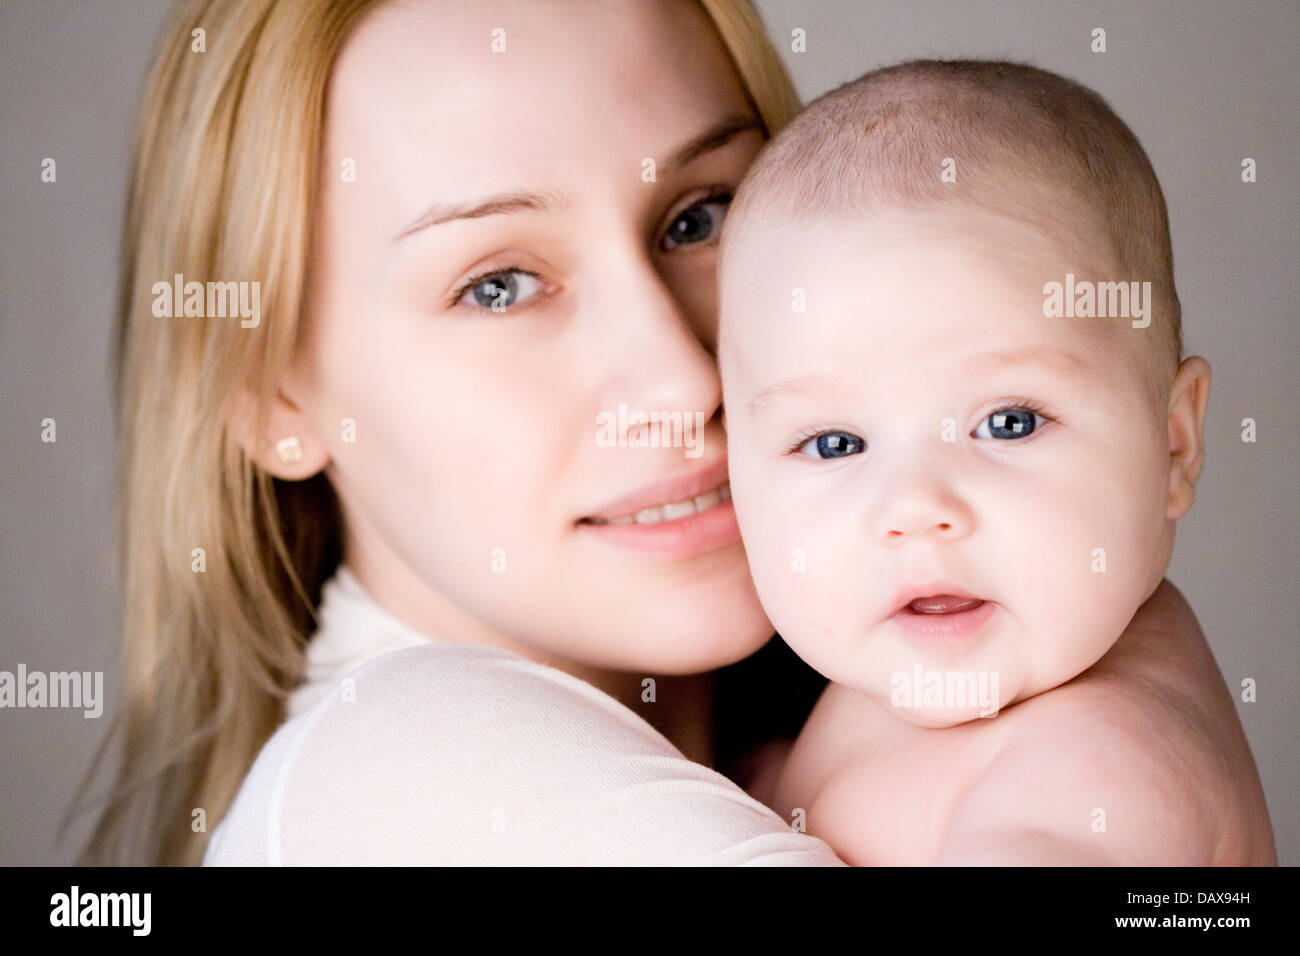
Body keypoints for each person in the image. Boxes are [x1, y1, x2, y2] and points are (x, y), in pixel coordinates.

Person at [67, 0, 1215, 866]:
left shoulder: (836, 735)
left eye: (697, 216)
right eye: (500, 284)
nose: (683, 372)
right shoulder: (419, 762)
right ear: (274, 396)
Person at [717, 59, 1277, 864]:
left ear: (1173, 445)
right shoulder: (876, 690)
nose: (916, 507)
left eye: (1008, 423)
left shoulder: (1099, 767)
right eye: (835, 444)